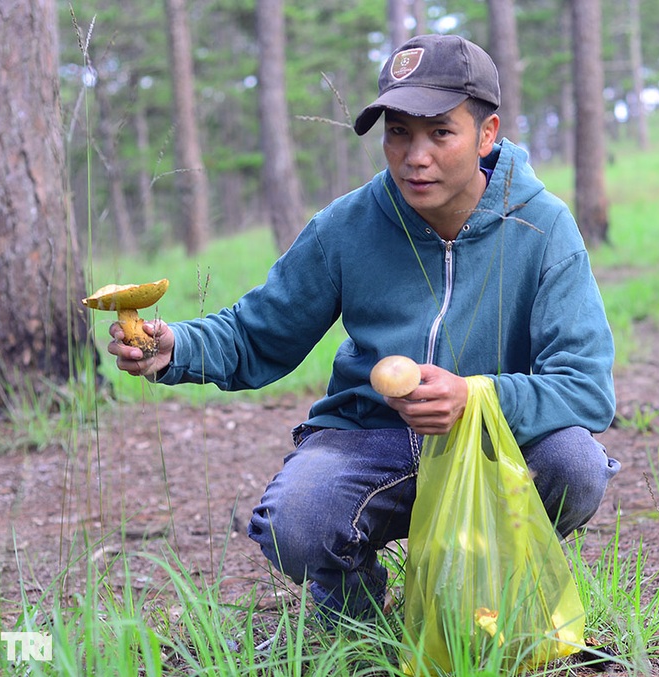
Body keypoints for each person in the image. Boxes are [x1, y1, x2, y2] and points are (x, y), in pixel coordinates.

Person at [108, 33, 620, 626]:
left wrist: (476, 396)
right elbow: (258, 334)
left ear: (487, 134)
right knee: (295, 524)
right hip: (370, 436)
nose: (414, 156)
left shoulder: (543, 227)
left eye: (440, 133)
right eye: (398, 132)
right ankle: (361, 621)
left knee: (574, 466)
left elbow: (586, 387)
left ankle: (486, 591)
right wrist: (178, 346)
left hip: (492, 439)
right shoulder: (347, 225)